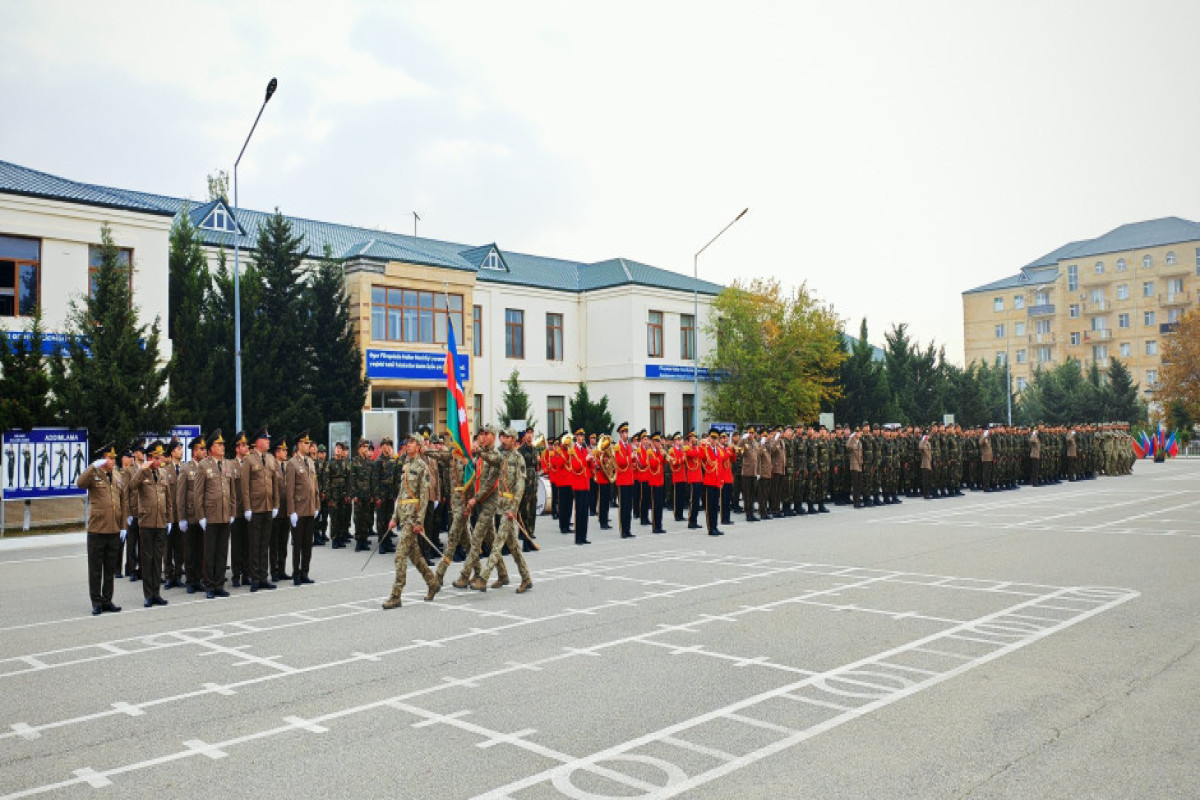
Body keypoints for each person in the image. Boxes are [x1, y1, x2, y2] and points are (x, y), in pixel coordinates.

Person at [381, 435, 442, 609]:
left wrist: (419, 521)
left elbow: (424, 497)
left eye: (412, 442)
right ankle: (432, 582)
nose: (408, 445)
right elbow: (401, 494)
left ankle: (396, 595)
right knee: (415, 556)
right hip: (403, 515)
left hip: (413, 518)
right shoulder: (406, 465)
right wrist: (394, 518)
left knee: (400, 555)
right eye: (407, 442)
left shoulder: (423, 467)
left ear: (419, 446)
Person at [471, 427, 533, 593]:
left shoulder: (518, 458)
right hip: (500, 505)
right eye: (501, 437)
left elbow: (520, 486)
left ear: (513, 439)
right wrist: (479, 451)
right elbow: (491, 462)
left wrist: (514, 508)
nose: (502, 440)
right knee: (512, 545)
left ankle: (483, 578)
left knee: (498, 542)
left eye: (506, 437)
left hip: (509, 507)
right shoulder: (501, 456)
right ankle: (524, 577)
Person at [78, 442, 127, 615]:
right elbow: (80, 483)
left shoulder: (117, 476)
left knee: (110, 568)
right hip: (97, 529)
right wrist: (92, 466)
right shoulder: (94, 474)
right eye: (110, 458)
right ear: (102, 459)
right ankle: (96, 602)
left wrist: (123, 526)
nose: (113, 460)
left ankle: (107, 600)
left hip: (114, 528)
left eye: (114, 458)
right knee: (96, 568)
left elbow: (123, 501)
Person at [129, 440, 172, 607]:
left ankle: (156, 593)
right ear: (148, 458)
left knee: (157, 559)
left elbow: (167, 498)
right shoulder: (143, 474)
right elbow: (132, 486)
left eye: (160, 457)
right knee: (147, 560)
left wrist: (169, 519)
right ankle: (148, 595)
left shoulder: (162, 474)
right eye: (155, 457)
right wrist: (142, 469)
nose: (158, 460)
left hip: (160, 521)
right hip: (146, 522)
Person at [195, 430, 236, 598]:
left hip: (225, 513)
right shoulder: (204, 465)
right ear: (211, 447)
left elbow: (232, 491)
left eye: (223, 444)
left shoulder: (227, 465)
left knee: (222, 551)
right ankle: (209, 585)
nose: (222, 447)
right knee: (210, 552)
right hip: (210, 515)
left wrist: (233, 511)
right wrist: (201, 516)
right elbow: (198, 493)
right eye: (219, 444)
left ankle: (219, 584)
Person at [240, 426, 279, 592]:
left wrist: (276, 504)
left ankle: (264, 576)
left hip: (268, 506)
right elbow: (245, 487)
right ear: (257, 442)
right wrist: (247, 508)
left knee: (265, 543)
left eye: (269, 439)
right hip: (255, 508)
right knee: (254, 544)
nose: (268, 441)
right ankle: (254, 577)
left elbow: (275, 483)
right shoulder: (249, 460)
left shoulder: (270, 459)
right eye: (265, 439)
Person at [283, 431, 319, 585]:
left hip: (310, 508)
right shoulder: (292, 463)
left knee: (307, 543)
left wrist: (317, 505)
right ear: (298, 445)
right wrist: (291, 511)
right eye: (305, 443)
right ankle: (296, 573)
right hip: (299, 509)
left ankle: (305, 572)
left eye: (308, 443)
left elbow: (315, 487)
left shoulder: (310, 462)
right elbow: (289, 489)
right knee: (297, 543)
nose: (308, 445)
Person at [177, 437, 207, 593]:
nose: (204, 451)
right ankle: (190, 580)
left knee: (200, 549)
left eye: (204, 448)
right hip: (190, 514)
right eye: (201, 449)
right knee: (189, 550)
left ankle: (198, 579)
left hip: (202, 515)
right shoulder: (186, 468)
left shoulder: (205, 467)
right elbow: (180, 494)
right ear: (194, 451)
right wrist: (181, 517)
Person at [229, 432, 249, 586]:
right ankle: (236, 575)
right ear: (237, 448)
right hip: (236, 511)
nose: (246, 447)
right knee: (236, 545)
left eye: (246, 445)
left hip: (248, 510)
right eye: (243, 445)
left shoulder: (249, 463)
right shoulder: (231, 465)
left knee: (247, 544)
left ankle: (246, 574)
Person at [350, 438, 375, 551]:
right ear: (359, 448)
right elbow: (352, 479)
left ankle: (364, 540)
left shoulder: (369, 463)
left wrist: (372, 495)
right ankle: (359, 541)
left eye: (367, 447)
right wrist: (354, 494)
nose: (366, 449)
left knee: (366, 517)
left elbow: (372, 480)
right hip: (358, 495)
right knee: (358, 518)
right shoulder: (354, 461)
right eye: (364, 447)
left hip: (367, 494)